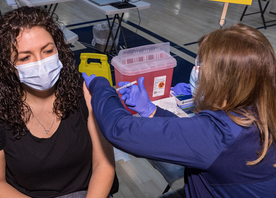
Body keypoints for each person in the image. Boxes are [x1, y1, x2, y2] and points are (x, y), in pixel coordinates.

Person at [82, 23, 276, 198]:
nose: (195, 70)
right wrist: (150, 110)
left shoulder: (219, 133)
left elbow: (119, 128)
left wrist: (102, 87)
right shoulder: (258, 113)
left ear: (223, 80)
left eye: (200, 65)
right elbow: (189, 132)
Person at [0, 6, 116, 198]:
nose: (40, 63)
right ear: (9, 65)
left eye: (48, 50)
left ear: (59, 48)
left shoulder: (84, 92)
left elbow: (104, 164)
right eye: (25, 57)